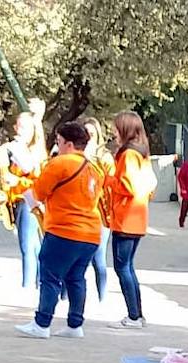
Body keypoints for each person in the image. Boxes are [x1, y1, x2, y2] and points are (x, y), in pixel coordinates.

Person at [15, 121, 104, 339]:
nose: (57, 145)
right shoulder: (95, 168)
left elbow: (38, 193)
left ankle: (42, 323)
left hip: (64, 229)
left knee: (51, 276)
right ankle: (75, 324)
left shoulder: (60, 163)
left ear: (69, 144)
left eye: (59, 141)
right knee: (76, 278)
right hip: (91, 232)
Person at [105, 110, 156, 329]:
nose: (114, 133)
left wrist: (109, 180)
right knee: (128, 267)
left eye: (117, 129)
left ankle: (133, 316)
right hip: (137, 216)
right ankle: (137, 314)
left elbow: (129, 186)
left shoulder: (128, 155)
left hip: (125, 217)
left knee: (123, 268)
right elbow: (151, 185)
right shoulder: (142, 153)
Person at [0, 111, 43, 289]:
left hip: (27, 199)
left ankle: (28, 286)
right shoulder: (12, 148)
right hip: (16, 199)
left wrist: (17, 180)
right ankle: (40, 282)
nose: (20, 130)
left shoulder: (35, 152)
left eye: (25, 127)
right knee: (33, 245)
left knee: (27, 245)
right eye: (19, 126)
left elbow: (38, 180)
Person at [82, 117, 114, 301]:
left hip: (100, 212)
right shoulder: (76, 155)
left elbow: (111, 183)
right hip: (80, 212)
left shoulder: (104, 157)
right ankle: (68, 297)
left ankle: (102, 297)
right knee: (77, 258)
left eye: (92, 134)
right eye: (85, 134)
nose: (88, 137)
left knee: (98, 257)